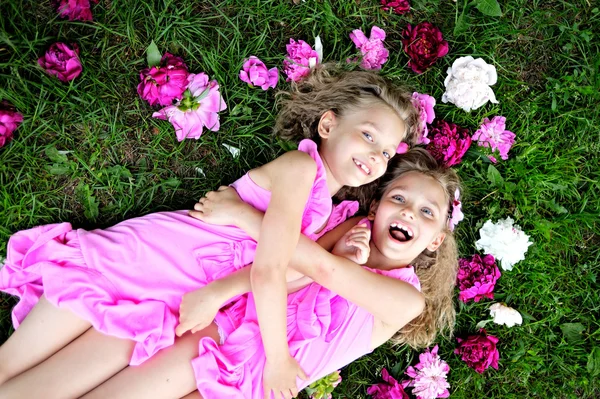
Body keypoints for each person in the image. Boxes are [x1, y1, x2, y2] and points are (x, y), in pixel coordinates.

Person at [0, 64, 419, 399]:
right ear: (327, 125)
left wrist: (340, 254)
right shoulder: (300, 169)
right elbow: (268, 271)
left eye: (385, 151)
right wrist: (277, 359)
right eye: (368, 135)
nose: (374, 155)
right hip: (152, 261)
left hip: (178, 298)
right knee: (12, 373)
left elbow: (297, 272)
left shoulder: (328, 214)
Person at [80, 148, 461, 399]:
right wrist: (218, 293)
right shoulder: (350, 225)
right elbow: (287, 264)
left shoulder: (406, 301)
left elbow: (320, 267)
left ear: (435, 241)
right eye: (399, 198)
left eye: (428, 212)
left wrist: (243, 215)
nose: (410, 212)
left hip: (264, 383)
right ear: (376, 207)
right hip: (226, 334)